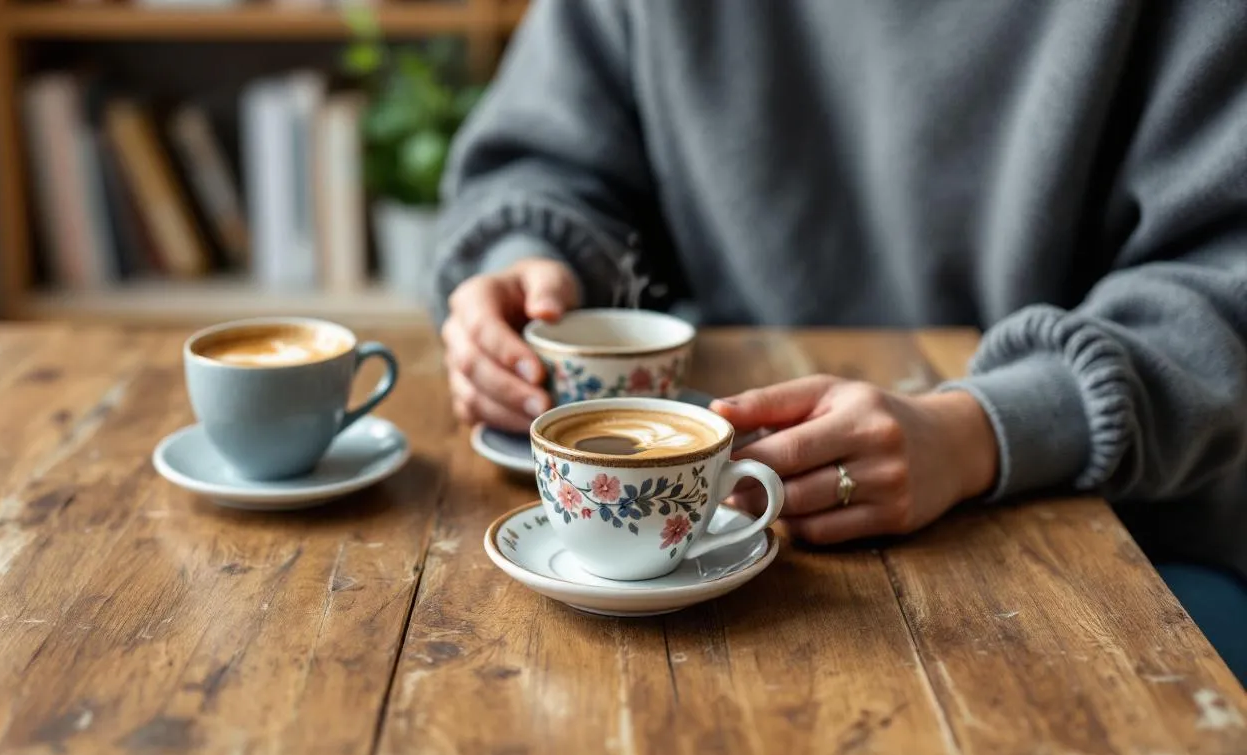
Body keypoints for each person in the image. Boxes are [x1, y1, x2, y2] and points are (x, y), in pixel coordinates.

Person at [430, 1, 1247, 682]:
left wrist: (982, 433)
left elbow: (1223, 277)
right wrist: (527, 269)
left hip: (1107, 531)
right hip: (724, 532)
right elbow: (543, 161)